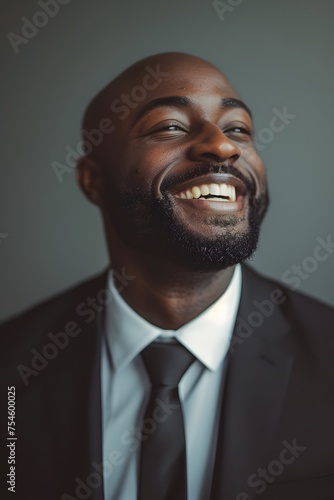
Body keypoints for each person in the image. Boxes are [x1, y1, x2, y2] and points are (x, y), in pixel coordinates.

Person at [1, 52, 333, 500]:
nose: (223, 146)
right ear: (93, 181)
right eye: (171, 126)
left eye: (238, 129)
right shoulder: (13, 367)